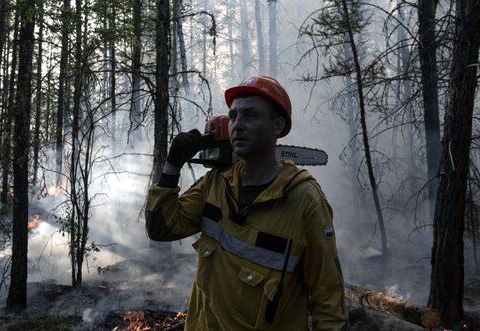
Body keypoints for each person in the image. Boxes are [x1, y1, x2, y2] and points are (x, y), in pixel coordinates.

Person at [145, 75, 348, 330]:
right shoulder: (216, 183)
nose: (237, 125)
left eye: (250, 115)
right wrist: (172, 165)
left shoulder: (305, 202)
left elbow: (328, 300)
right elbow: (161, 229)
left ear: (277, 125)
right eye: (233, 116)